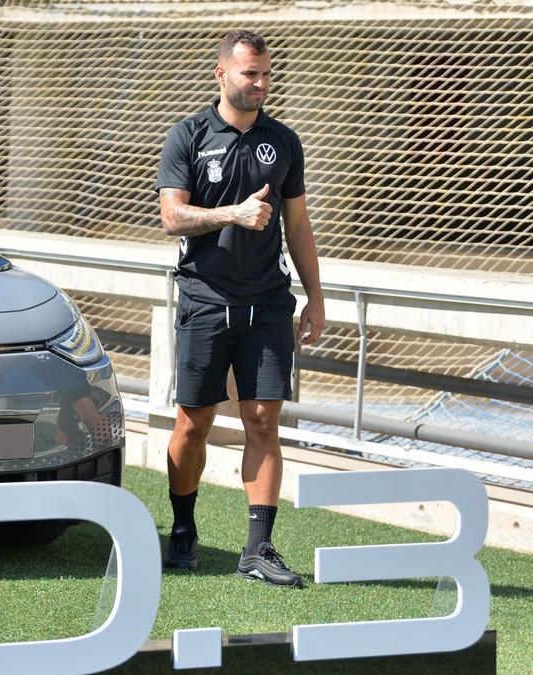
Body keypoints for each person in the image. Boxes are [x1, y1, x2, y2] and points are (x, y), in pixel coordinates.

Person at [153, 29, 325, 587]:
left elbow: (297, 224)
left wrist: (316, 297)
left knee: (263, 419)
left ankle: (259, 548)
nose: (261, 84)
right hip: (204, 300)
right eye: (251, 74)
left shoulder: (285, 142)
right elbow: (173, 218)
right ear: (222, 75)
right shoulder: (187, 136)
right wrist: (232, 214)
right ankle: (182, 529)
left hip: (268, 304)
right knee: (194, 422)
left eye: (267, 74)